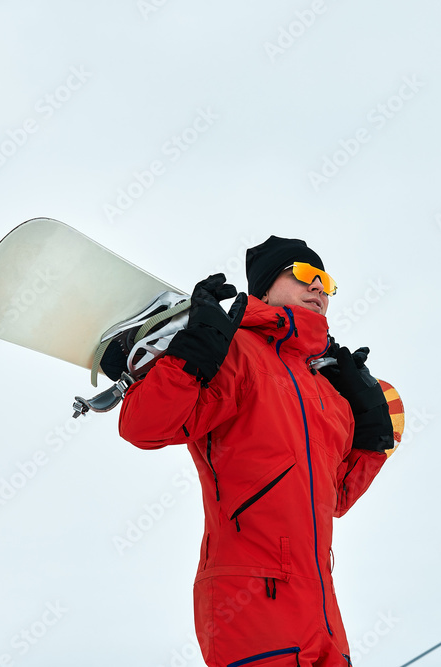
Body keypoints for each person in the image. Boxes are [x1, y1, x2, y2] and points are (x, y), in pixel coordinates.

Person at [117, 236, 394, 667]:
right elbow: (144, 426)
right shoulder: (238, 352)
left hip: (324, 615)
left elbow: (335, 499)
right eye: (305, 275)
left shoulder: (329, 392)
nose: (320, 288)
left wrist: (372, 439)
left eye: (327, 282)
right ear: (264, 288)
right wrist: (194, 353)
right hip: (250, 602)